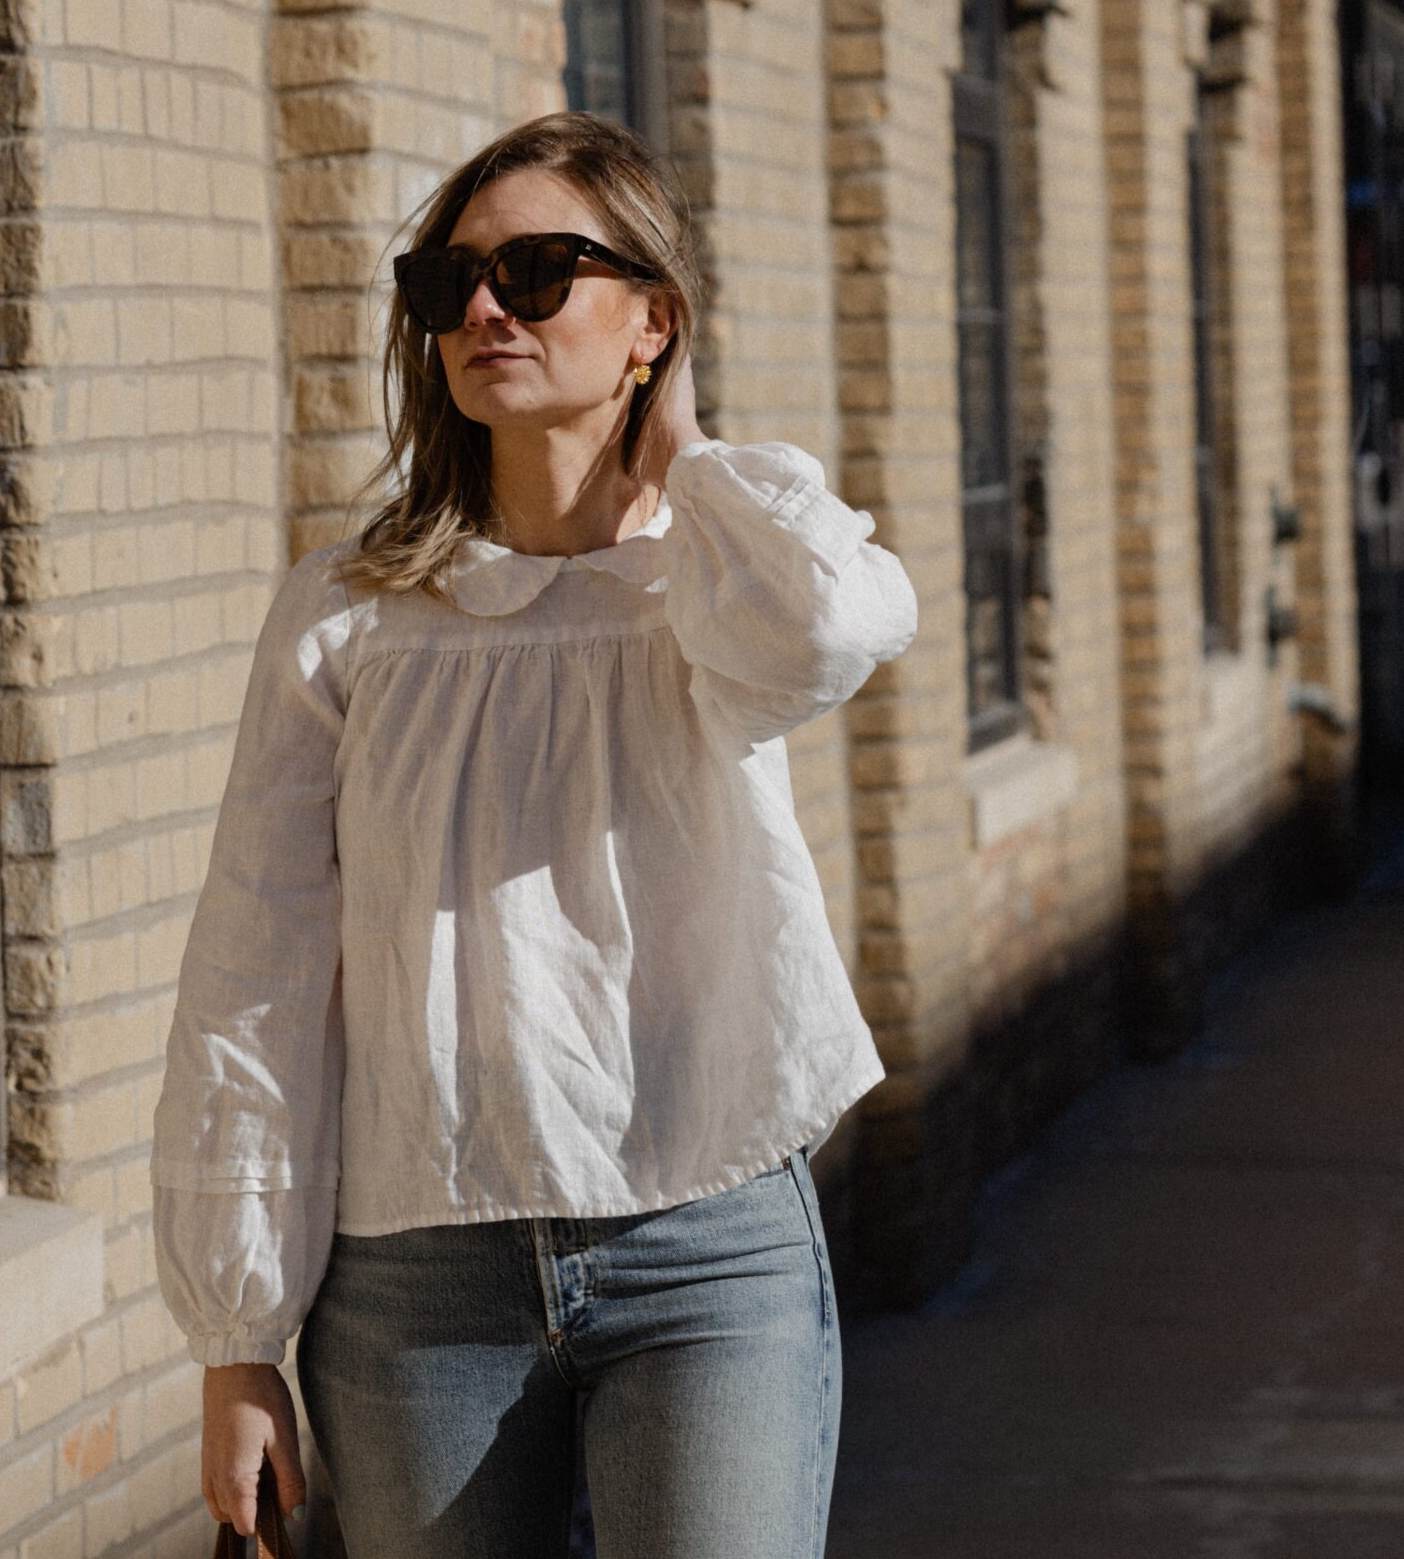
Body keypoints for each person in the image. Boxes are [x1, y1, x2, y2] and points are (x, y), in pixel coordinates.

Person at [151, 110, 919, 1558]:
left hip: (705, 1249)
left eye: (543, 271)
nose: (486, 310)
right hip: (412, 1281)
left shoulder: (724, 574)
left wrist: (679, 449)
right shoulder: (350, 614)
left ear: (652, 319)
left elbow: (830, 627)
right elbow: (255, 968)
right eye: (451, 286)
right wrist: (237, 1335)